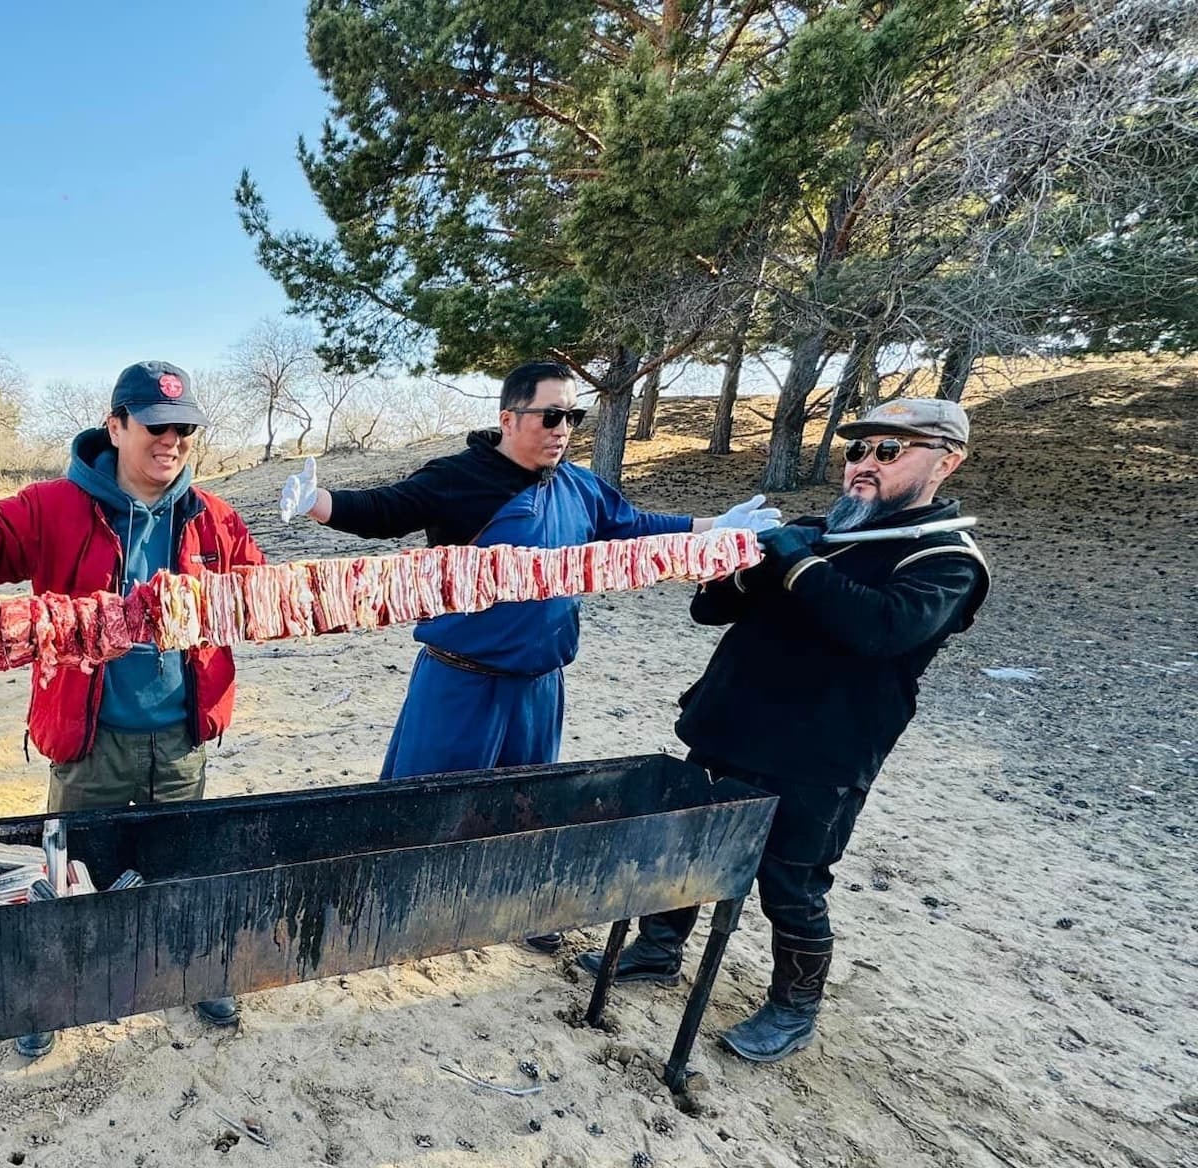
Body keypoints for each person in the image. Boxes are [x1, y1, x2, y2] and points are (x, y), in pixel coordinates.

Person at [276, 358, 779, 947]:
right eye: (551, 416)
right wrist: (318, 502)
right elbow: (388, 509)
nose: (563, 428)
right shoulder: (461, 477)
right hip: (460, 679)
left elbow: (636, 525)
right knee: (422, 800)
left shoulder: (580, 484)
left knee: (528, 806)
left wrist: (715, 526)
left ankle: (518, 907)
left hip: (540, 683)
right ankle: (391, 903)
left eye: (573, 415)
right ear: (509, 418)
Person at [580, 397, 990, 1062]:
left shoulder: (945, 558)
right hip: (730, 722)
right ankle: (658, 950)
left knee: (792, 881)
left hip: (822, 754)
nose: (864, 464)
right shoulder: (814, 530)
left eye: (889, 451)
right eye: (857, 449)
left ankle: (794, 1008)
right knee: (687, 843)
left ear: (945, 461)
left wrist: (797, 562)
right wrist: (733, 565)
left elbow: (879, 630)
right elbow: (709, 610)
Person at [0, 362, 264, 1055]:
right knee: (68, 869)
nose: (172, 440)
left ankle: (190, 968)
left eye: (184, 428)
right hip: (90, 737)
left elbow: (254, 592)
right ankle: (50, 994)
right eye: (156, 426)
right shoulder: (55, 506)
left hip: (181, 737)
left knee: (177, 862)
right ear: (116, 425)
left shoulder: (214, 517)